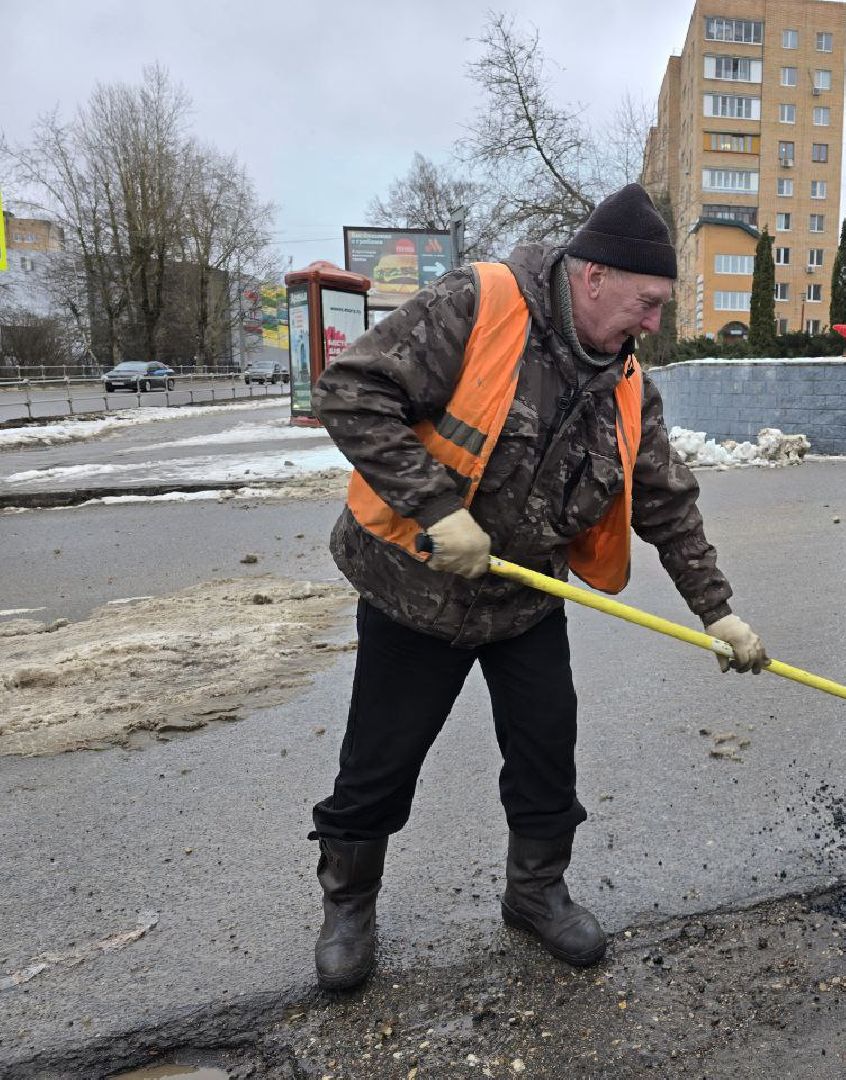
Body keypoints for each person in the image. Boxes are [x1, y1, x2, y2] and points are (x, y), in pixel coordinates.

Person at [307, 184, 768, 990]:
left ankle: (535, 892)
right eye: (648, 302)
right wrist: (436, 507)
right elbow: (350, 391)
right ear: (594, 278)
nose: (654, 323)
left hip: (524, 602)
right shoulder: (479, 304)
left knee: (547, 752)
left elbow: (666, 502)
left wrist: (718, 611)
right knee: (379, 762)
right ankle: (348, 904)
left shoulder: (627, 384)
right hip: (415, 590)